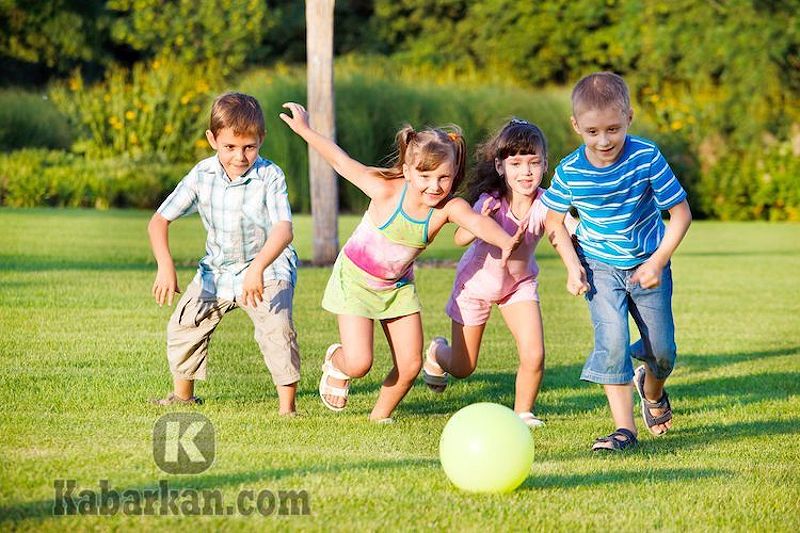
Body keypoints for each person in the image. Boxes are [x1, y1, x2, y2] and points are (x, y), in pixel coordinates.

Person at [279, 102, 525, 423]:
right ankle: (338, 363)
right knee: (359, 362)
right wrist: (305, 130)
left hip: (397, 288)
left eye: (444, 177)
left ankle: (378, 418)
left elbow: (476, 222)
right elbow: (341, 161)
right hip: (355, 281)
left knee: (409, 366)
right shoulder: (384, 190)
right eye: (425, 175)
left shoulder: (447, 208)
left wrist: (506, 241)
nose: (435, 186)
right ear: (408, 171)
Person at [542, 72, 692, 451]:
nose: (604, 140)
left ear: (629, 117)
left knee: (663, 351)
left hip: (647, 264)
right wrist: (573, 265)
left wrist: (658, 262)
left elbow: (681, 213)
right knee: (611, 341)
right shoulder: (570, 171)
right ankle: (625, 430)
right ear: (576, 125)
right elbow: (553, 220)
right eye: (592, 131)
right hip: (599, 268)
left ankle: (652, 389)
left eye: (613, 128)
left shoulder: (646, 157)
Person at [148, 92, 301, 416]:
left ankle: (287, 410)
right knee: (185, 323)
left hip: (268, 267)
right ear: (212, 139)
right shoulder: (201, 175)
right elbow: (159, 220)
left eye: (249, 147)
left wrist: (258, 268)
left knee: (277, 328)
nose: (240, 156)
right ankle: (183, 397)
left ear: (261, 139)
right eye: (230, 147)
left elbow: (283, 230)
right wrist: (165, 265)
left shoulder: (270, 176)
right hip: (217, 271)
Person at [422, 118, 576, 428]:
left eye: (534, 162)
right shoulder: (489, 201)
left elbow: (565, 229)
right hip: (475, 286)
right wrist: (479, 218)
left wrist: (579, 254)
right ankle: (437, 352)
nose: (526, 171)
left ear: (545, 164)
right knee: (463, 367)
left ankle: (523, 413)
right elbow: (460, 238)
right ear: (500, 165)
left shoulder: (547, 203)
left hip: (518, 286)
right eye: (516, 163)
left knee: (534, 354)